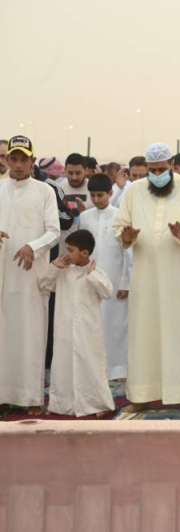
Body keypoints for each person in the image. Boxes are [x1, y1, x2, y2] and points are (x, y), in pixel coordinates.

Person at [113, 142, 180, 416]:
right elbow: (118, 227)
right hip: (145, 277)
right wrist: (126, 237)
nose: (157, 175)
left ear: (171, 166)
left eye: (162, 169)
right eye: (152, 170)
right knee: (144, 335)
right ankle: (142, 395)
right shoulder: (134, 191)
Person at [0, 136, 60, 413]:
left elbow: (54, 231)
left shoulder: (44, 191)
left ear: (32, 161)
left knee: (31, 333)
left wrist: (32, 247)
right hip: (3, 273)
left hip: (30, 273)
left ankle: (31, 397)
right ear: (7, 160)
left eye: (24, 159)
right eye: (13, 158)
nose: (18, 164)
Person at [39, 229, 115, 417]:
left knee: (91, 366)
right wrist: (54, 267)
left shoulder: (96, 271)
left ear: (85, 253)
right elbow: (44, 284)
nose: (67, 254)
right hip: (64, 330)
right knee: (63, 365)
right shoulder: (63, 272)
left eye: (71, 250)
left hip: (88, 331)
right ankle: (62, 405)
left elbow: (107, 292)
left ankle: (97, 404)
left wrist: (91, 275)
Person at [79, 173, 131, 380]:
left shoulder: (120, 217)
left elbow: (127, 251)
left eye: (100, 195)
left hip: (115, 279)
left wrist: (126, 282)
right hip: (90, 279)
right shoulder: (85, 217)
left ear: (110, 193)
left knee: (116, 326)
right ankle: (93, 370)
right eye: (92, 195)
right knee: (92, 325)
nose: (96, 199)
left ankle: (117, 370)